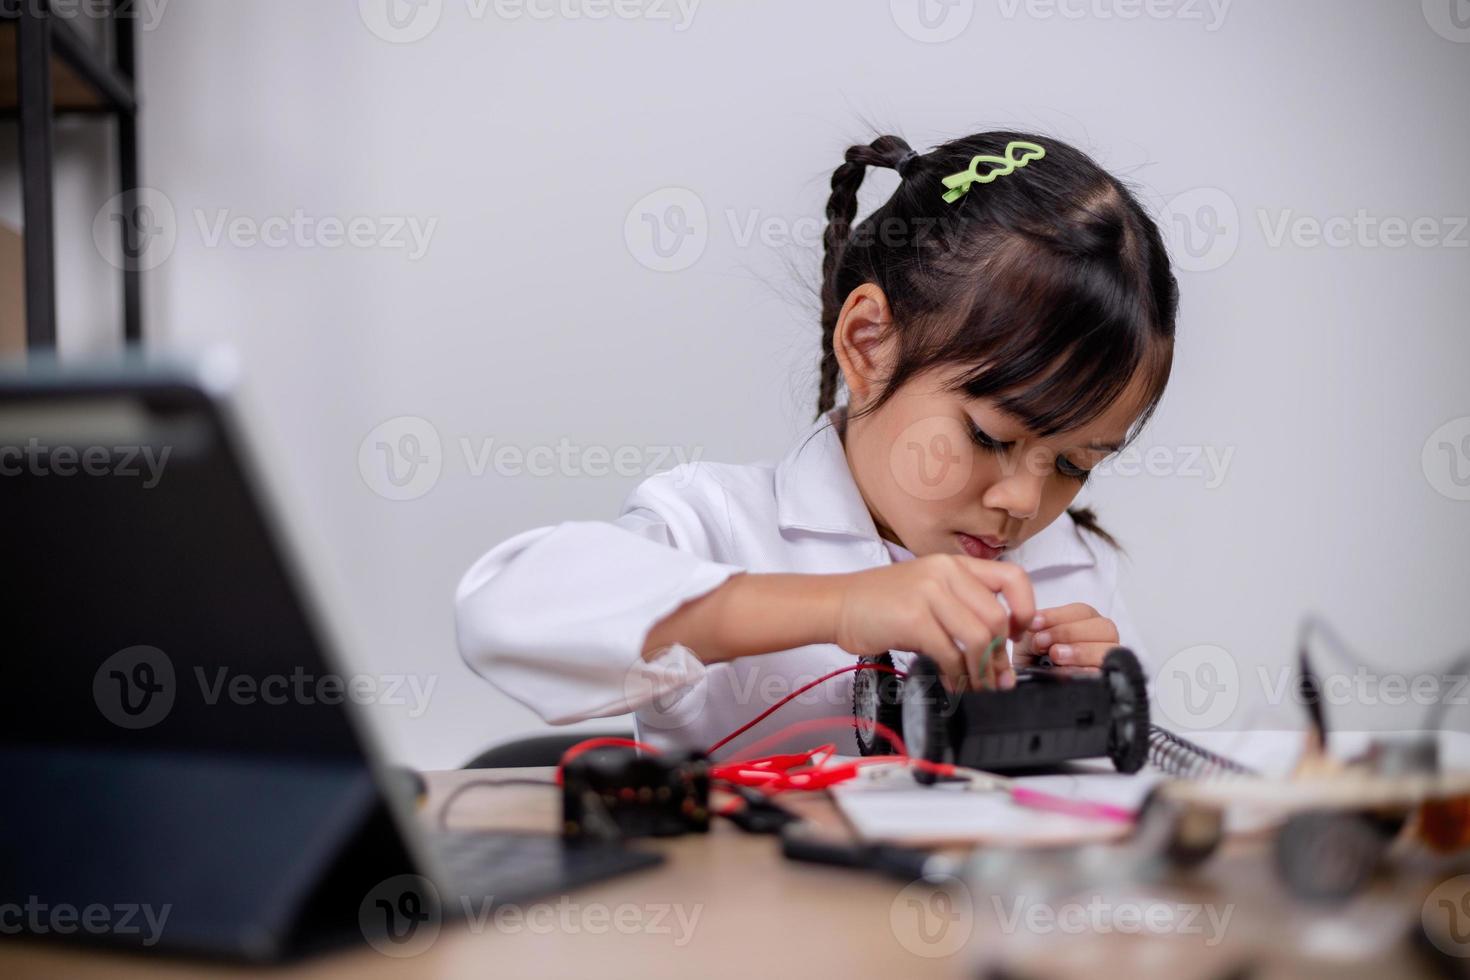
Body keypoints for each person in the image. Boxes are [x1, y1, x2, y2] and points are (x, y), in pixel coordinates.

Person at [456, 131, 1179, 757]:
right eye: (990, 437)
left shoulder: (1072, 567)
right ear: (869, 346)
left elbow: (1128, 803)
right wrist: (840, 606)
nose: (1025, 500)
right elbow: (501, 612)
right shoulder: (717, 524)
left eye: (1072, 464)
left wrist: (1094, 708)